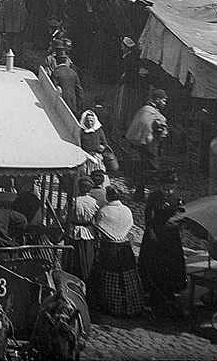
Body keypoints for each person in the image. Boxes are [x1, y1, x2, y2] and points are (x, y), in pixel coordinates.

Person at [88, 187, 146, 316]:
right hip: (125, 247)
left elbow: (99, 227)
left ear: (107, 197)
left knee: (110, 277)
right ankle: (132, 305)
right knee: (128, 276)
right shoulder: (127, 210)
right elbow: (129, 225)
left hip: (109, 248)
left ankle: (114, 306)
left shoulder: (104, 211)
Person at [141, 171, 188, 319]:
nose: (168, 190)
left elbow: (182, 216)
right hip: (155, 234)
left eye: (171, 187)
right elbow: (149, 215)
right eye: (166, 187)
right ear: (161, 186)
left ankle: (171, 292)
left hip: (171, 236)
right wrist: (151, 232)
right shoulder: (154, 197)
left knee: (172, 263)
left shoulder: (177, 198)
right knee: (154, 263)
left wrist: (177, 220)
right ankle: (154, 292)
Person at [124, 88, 169, 193]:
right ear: (157, 99)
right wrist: (160, 129)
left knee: (143, 168)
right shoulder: (148, 111)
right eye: (163, 100)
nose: (165, 103)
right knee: (151, 168)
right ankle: (154, 194)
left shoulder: (147, 110)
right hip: (149, 145)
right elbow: (145, 126)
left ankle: (140, 192)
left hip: (146, 143)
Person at [68, 177, 99, 279]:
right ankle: (86, 276)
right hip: (88, 232)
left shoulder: (74, 201)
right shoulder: (94, 202)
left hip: (75, 231)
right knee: (87, 256)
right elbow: (96, 216)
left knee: (74, 257)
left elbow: (64, 216)